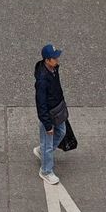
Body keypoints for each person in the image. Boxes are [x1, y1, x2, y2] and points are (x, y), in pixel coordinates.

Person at [34, 44, 68, 185]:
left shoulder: (54, 69)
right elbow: (41, 105)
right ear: (47, 60)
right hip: (48, 115)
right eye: (54, 58)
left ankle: (43, 152)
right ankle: (46, 171)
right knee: (48, 144)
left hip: (57, 111)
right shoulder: (42, 80)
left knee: (61, 132)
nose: (57, 60)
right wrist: (48, 125)